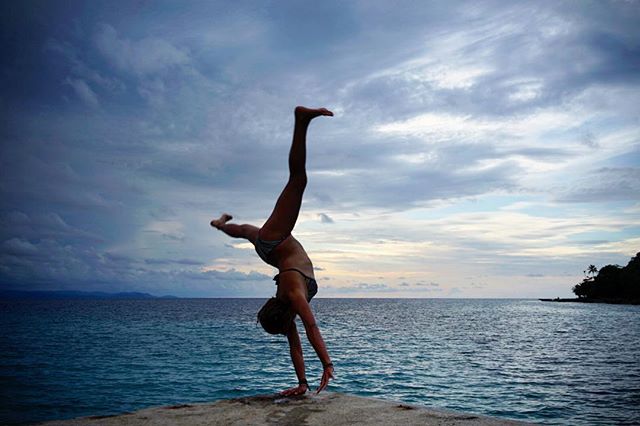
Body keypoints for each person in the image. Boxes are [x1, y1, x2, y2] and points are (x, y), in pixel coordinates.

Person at [210, 106, 334, 396]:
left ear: (284, 315)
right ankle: (219, 224)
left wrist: (327, 363)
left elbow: (312, 327)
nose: (291, 329)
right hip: (270, 252)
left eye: (287, 326)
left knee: (298, 180)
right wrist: (303, 384)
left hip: (276, 242)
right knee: (243, 232)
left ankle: (301, 120)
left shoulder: (292, 295)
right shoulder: (286, 308)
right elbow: (295, 344)